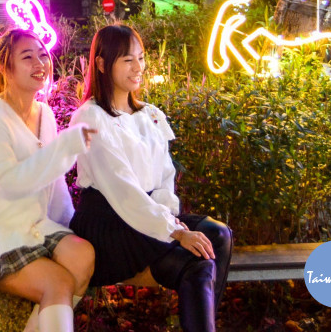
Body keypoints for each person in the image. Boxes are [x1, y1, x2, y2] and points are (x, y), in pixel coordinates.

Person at [69, 24, 233, 332]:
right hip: (109, 226)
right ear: (102, 64)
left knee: (218, 235)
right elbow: (123, 191)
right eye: (127, 60)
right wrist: (174, 232)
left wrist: (171, 219)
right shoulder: (91, 117)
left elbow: (164, 177)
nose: (138, 68)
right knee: (195, 263)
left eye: (141, 58)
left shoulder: (150, 115)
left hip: (146, 216)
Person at [0, 28, 97, 332]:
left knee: (82, 255)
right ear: (4, 67)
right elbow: (9, 183)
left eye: (42, 55)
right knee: (59, 282)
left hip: (32, 225)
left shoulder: (46, 114)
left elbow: (54, 184)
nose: (40, 63)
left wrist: (70, 225)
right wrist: (66, 146)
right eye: (27, 57)